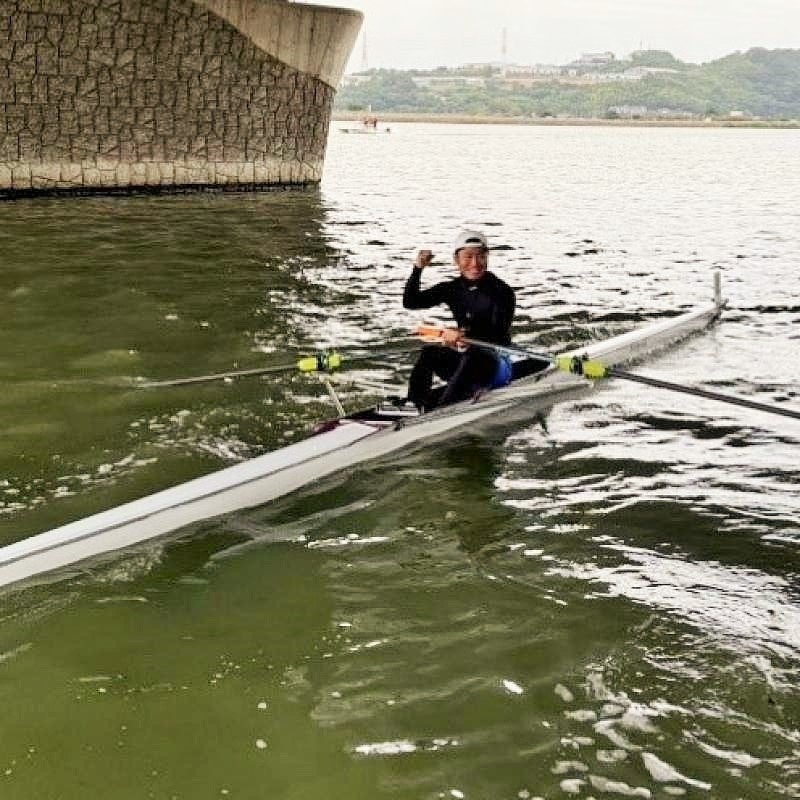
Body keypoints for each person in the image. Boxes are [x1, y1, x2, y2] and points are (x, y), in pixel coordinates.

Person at [402, 229, 516, 412]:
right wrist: (418, 269)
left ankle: (442, 410)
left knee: (474, 354)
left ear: (487, 257)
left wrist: (462, 334)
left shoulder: (502, 291)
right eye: (468, 257)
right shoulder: (452, 289)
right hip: (466, 362)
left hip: (496, 366)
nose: (475, 263)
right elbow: (411, 302)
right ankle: (413, 405)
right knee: (431, 352)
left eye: (481, 257)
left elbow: (498, 332)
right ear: (456, 260)